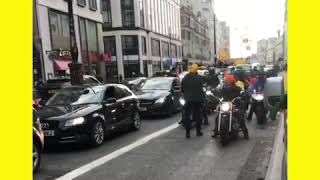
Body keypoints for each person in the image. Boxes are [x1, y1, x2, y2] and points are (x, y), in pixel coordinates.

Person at [212, 74, 249, 139]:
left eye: (227, 81)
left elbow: (242, 92)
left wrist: (243, 94)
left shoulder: (237, 88)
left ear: (231, 81)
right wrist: (214, 92)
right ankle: (216, 130)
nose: (226, 82)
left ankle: (245, 133)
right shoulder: (224, 89)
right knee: (218, 117)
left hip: (236, 105)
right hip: (225, 105)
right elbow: (219, 94)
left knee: (239, 117)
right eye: (225, 81)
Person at [181, 64, 205, 138]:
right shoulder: (199, 78)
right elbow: (202, 88)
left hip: (188, 100)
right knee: (198, 116)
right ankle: (198, 132)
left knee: (187, 116)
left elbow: (182, 89)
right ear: (196, 70)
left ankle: (187, 133)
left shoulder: (185, 78)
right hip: (197, 100)